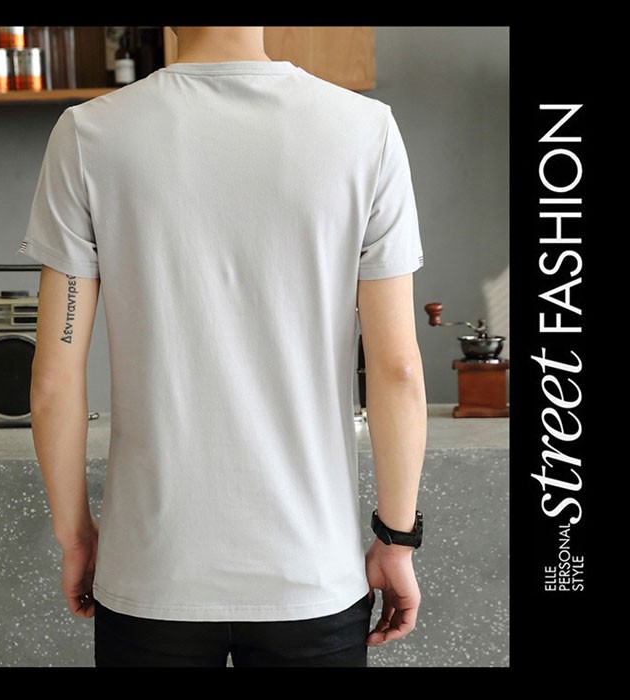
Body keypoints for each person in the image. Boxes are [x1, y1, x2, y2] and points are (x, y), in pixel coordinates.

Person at [21, 26, 427, 668]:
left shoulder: (88, 135)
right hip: (311, 574)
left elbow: (53, 381)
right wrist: (396, 541)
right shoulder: (365, 132)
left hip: (151, 571)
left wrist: (75, 537)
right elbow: (398, 369)